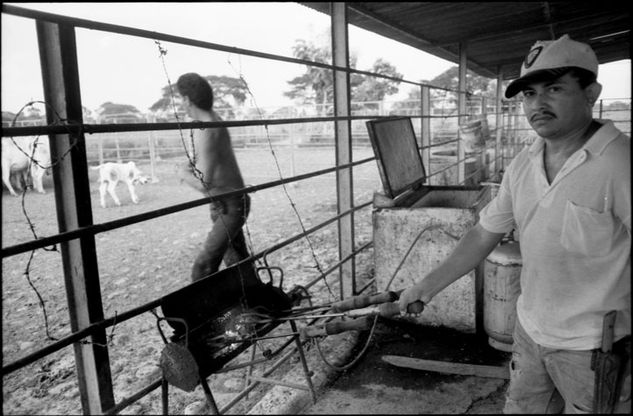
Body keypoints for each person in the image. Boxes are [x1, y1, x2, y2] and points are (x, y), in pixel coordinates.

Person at [398, 34, 630, 413]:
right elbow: (483, 233)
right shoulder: (524, 163)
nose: (538, 103)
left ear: (591, 92)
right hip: (530, 330)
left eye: (554, 88)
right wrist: (427, 286)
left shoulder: (620, 164)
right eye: (529, 94)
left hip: (594, 346)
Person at [176, 72, 254, 283]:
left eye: (180, 99)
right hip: (227, 203)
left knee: (202, 268)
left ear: (186, 100)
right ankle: (256, 306)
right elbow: (207, 157)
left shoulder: (208, 130)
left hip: (229, 206)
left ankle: (204, 314)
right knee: (238, 263)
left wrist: (183, 173)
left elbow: (205, 183)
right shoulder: (212, 121)